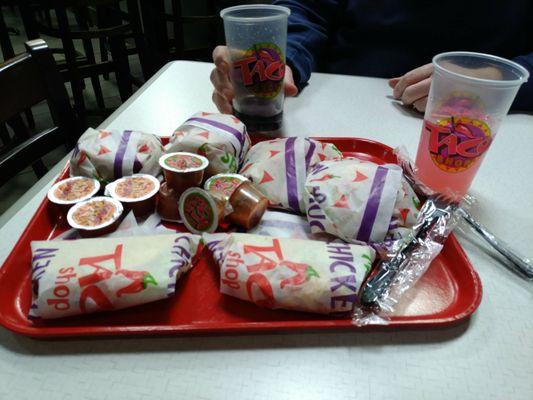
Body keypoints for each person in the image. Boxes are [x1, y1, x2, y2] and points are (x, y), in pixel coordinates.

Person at [211, 0, 533, 114]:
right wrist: (283, 59)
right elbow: (308, 9)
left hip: (475, 125)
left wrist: (498, 80)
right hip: (337, 110)